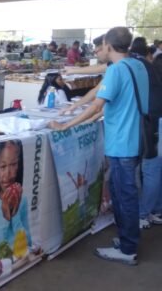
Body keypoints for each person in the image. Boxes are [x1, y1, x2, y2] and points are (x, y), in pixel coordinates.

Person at [49, 27, 147, 265]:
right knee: (120, 191)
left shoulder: (118, 71)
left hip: (122, 143)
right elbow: (102, 97)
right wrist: (75, 108)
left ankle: (128, 248)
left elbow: (97, 105)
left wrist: (65, 126)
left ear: (109, 45)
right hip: (135, 139)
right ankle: (126, 239)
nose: (98, 51)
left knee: (124, 195)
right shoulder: (138, 66)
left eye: (100, 46)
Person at [0, 140, 32, 255]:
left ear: (19, 166)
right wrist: (5, 218)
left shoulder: (22, 200)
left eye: (13, 164)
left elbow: (28, 242)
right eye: (2, 166)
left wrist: (14, 215)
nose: (8, 174)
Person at [139, 54, 162, 229]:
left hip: (155, 128)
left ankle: (144, 213)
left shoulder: (153, 84)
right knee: (157, 171)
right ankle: (155, 210)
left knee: (151, 171)